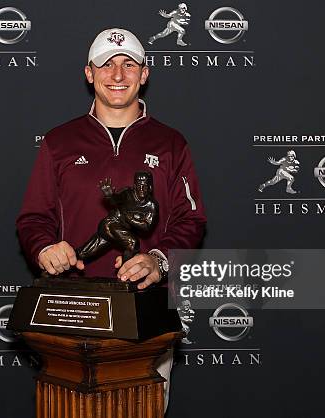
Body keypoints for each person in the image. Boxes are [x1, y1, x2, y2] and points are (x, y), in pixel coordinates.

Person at [16, 28, 207, 410]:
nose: (117, 75)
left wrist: (158, 260)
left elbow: (191, 220)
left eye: (129, 64)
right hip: (73, 308)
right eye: (106, 64)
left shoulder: (171, 143)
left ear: (145, 73)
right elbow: (34, 217)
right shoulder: (59, 141)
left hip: (145, 308)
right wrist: (44, 249)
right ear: (89, 73)